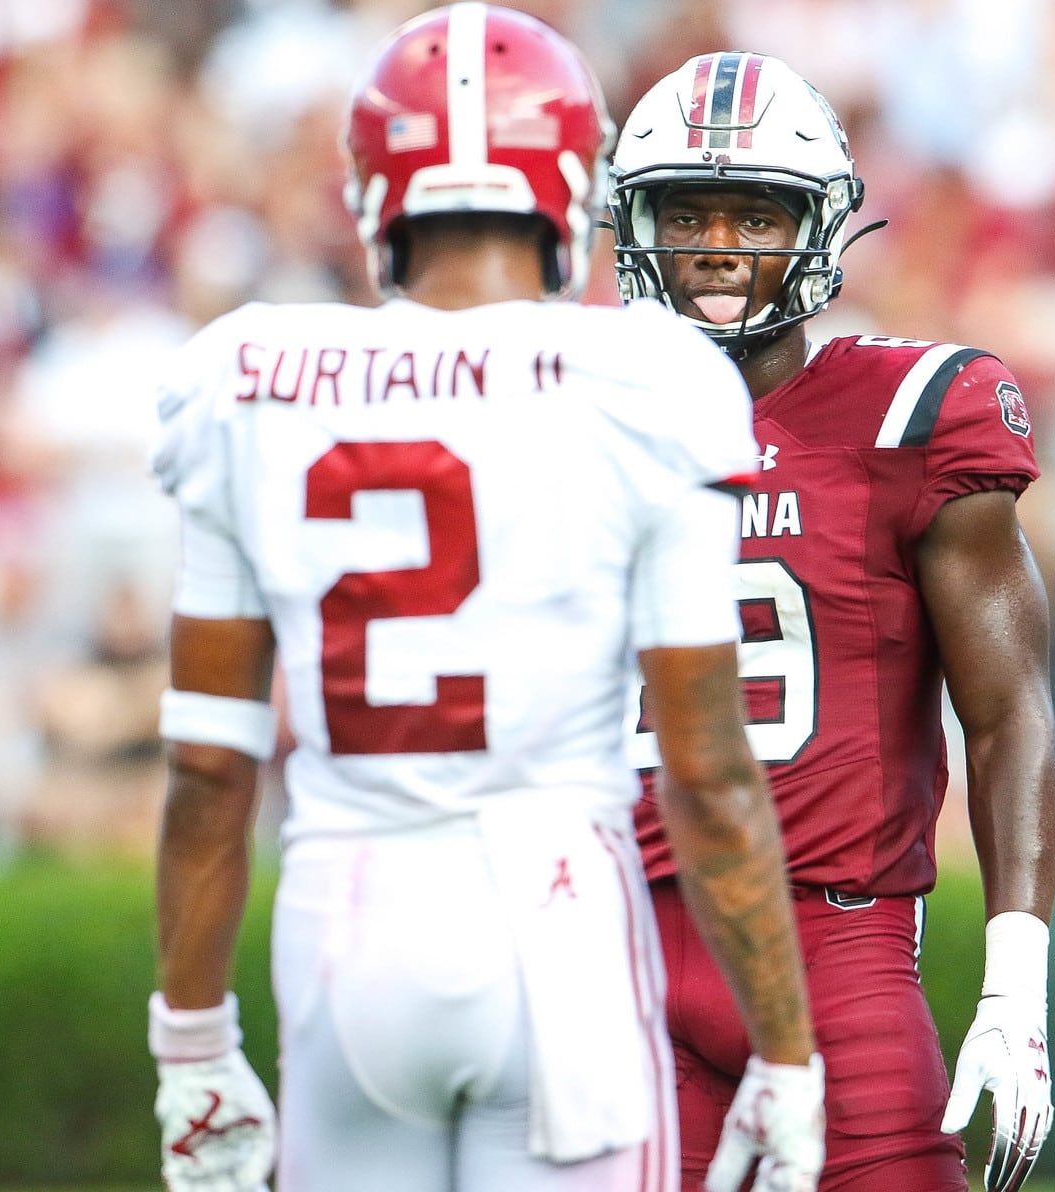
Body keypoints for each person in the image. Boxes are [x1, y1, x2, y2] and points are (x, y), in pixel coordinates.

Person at [147, 11, 826, 1192]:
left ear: (375, 190)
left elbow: (210, 765)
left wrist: (191, 1045)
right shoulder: (643, 379)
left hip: (341, 921)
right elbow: (707, 771)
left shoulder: (245, 375)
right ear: (571, 182)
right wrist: (786, 1053)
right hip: (550, 919)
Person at [611, 53, 1055, 1192]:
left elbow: (1006, 709)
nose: (718, 243)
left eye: (753, 213)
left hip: (835, 939)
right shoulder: (574, 416)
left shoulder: (910, 414)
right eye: (689, 211)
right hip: (616, 943)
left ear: (816, 227)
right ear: (634, 224)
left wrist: (1014, 984)